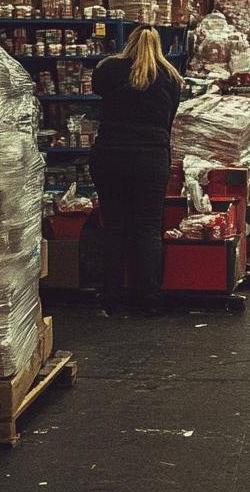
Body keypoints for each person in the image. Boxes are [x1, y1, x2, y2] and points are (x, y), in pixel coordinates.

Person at [90, 25, 183, 316]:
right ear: (159, 46)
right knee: (148, 228)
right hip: (151, 158)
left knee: (114, 228)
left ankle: (112, 299)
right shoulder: (170, 76)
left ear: (128, 42)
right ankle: (150, 299)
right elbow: (169, 119)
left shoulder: (109, 69)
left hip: (110, 155)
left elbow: (96, 90)